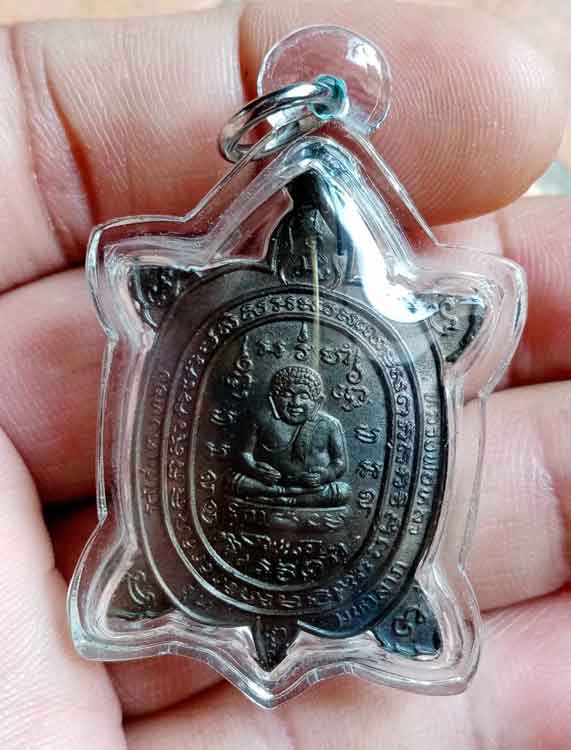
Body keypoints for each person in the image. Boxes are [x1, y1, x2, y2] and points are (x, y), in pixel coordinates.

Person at [0, 2, 569, 749]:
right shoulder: (263, 414)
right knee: (253, 485)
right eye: (289, 392)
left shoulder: (329, 421)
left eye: (304, 392)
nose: (297, 400)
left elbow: (333, 472)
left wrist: (309, 479)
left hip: (320, 510)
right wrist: (265, 473)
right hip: (256, 507)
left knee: (328, 491)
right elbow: (243, 459)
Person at [229, 365, 351, 506]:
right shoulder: (260, 420)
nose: (295, 403)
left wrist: (325, 475)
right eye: (287, 395)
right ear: (273, 399)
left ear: (318, 402)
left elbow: (339, 464)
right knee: (231, 480)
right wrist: (255, 469)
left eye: (304, 396)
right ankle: (282, 493)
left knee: (343, 490)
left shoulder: (329, 424)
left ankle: (288, 499)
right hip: (268, 485)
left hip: (311, 489)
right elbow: (245, 454)